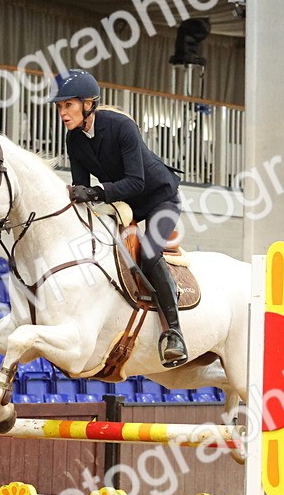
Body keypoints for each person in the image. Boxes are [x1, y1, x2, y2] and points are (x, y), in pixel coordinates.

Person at [47, 69, 188, 367]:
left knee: (149, 253)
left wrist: (96, 193)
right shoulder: (74, 140)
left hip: (161, 198)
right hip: (126, 204)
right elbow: (83, 189)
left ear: (88, 104)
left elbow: (135, 182)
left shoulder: (121, 126)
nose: (62, 112)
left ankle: (174, 332)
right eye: (59, 107)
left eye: (68, 105)